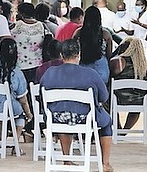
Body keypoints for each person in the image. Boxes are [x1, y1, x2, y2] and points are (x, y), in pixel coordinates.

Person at [40, 39, 113, 172]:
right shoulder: (90, 74)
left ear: (62, 55)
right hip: (84, 118)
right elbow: (104, 97)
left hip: (56, 118)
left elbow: (42, 95)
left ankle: (66, 159)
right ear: (79, 54)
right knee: (107, 122)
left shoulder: (49, 73)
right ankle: (105, 163)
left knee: (63, 113)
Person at [0, 38, 32, 149]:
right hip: (6, 107)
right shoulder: (15, 71)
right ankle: (15, 146)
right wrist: (29, 114)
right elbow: (23, 99)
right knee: (20, 114)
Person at [109, 37, 147, 131]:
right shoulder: (144, 66)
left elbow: (109, 77)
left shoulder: (118, 62)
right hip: (139, 101)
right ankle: (124, 131)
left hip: (119, 98)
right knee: (137, 107)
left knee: (107, 98)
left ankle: (118, 129)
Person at [12, 2, 51, 84]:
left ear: (21, 14)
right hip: (38, 65)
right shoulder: (41, 26)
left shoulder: (16, 26)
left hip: (20, 65)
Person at [73, 6, 113, 83]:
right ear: (99, 18)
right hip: (102, 69)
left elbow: (73, 51)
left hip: (83, 67)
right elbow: (109, 55)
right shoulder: (106, 34)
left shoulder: (78, 33)